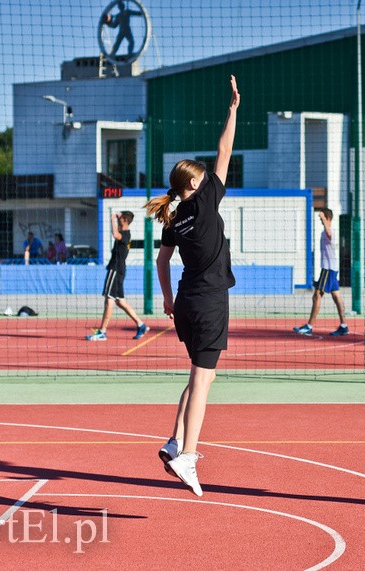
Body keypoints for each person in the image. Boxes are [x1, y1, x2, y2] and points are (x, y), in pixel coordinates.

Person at [144, 75, 240, 496]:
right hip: (207, 301)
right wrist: (233, 109)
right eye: (203, 178)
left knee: (200, 374)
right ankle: (188, 455)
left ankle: (172, 440)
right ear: (195, 185)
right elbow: (224, 150)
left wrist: (165, 297)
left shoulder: (174, 217)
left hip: (184, 301)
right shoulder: (203, 199)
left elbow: (162, 259)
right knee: (203, 381)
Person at [85, 211, 149, 341]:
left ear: (125, 220)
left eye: (121, 219)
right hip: (118, 269)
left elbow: (115, 234)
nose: (119, 220)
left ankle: (102, 332)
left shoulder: (125, 234)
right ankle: (141, 325)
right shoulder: (125, 233)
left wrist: (112, 219)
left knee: (109, 299)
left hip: (116, 269)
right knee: (120, 301)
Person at [293, 208, 349, 336]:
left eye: (322, 219)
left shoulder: (330, 232)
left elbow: (329, 232)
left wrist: (324, 218)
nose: (320, 221)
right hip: (331, 269)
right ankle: (344, 325)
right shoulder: (326, 232)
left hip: (328, 269)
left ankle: (309, 326)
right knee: (336, 297)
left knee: (317, 296)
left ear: (327, 218)